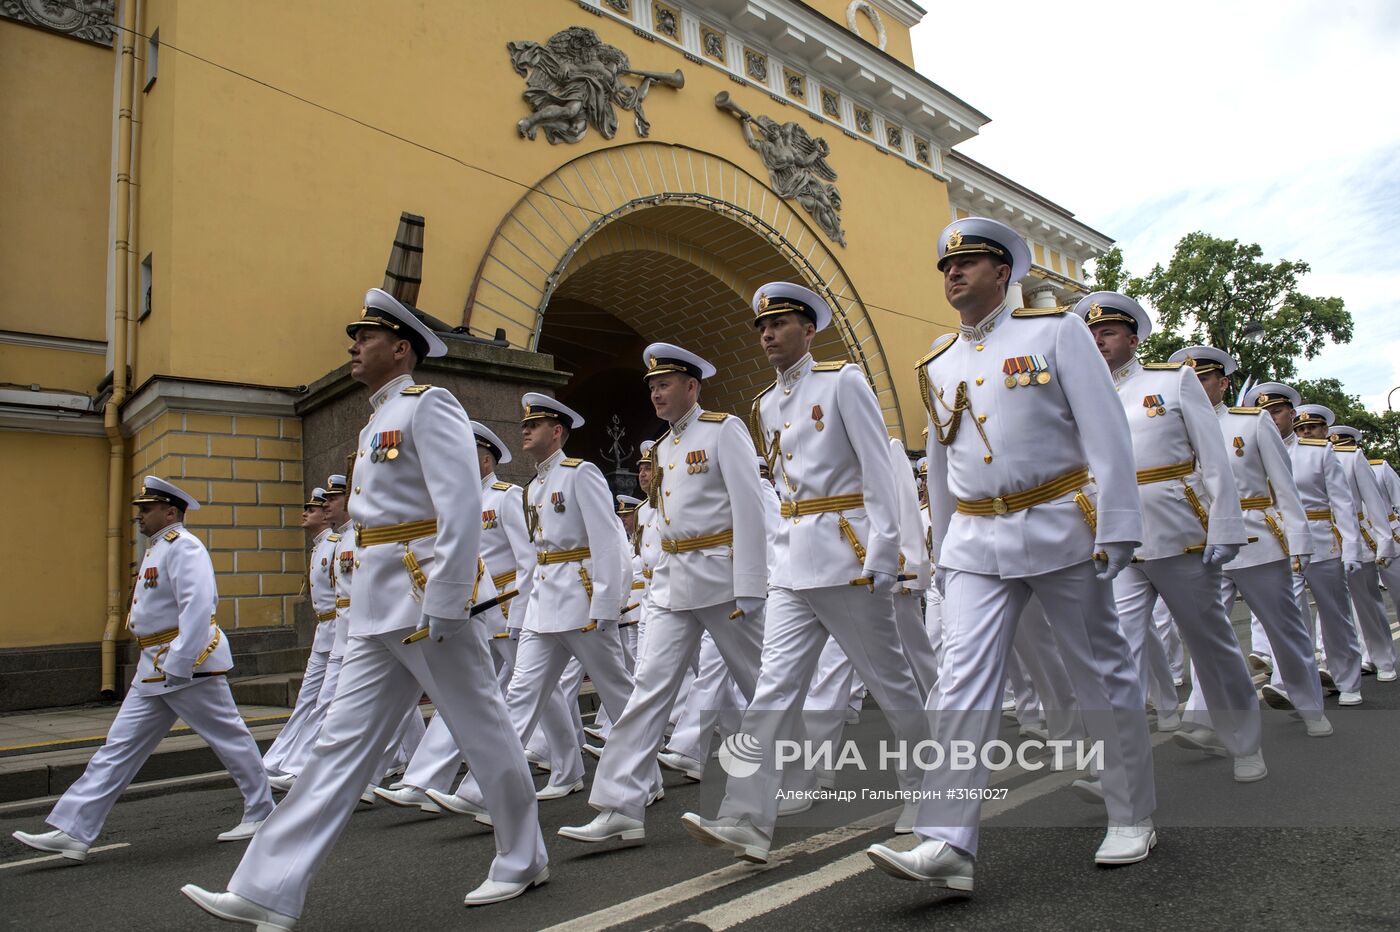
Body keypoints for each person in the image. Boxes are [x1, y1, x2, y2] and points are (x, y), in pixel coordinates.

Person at [182, 288, 547, 931]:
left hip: (424, 601)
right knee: (337, 747)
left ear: (400, 349)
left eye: (366, 337)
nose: (353, 346)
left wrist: (447, 599)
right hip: (376, 606)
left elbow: (460, 505)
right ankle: (268, 888)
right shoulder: (373, 421)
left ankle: (523, 857)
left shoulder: (428, 405)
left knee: (483, 732)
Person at [867, 218, 1155, 892]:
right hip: (975, 538)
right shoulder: (938, 363)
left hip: (1058, 523)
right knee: (961, 682)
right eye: (946, 266)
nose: (953, 273)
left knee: (1101, 671)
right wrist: (941, 550)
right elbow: (942, 466)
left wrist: (1118, 523)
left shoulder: (1055, 333)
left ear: (1003, 272)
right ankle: (946, 842)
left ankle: (1131, 813)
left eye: (967, 262)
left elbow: (1106, 430)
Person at [681, 281, 928, 864]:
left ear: (809, 330)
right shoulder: (766, 403)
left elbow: (879, 468)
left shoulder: (842, 381)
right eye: (762, 328)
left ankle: (928, 789)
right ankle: (746, 817)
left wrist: (884, 550)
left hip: (846, 558)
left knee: (891, 682)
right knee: (774, 688)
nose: (768, 335)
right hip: (793, 562)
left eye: (780, 324)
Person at [560, 343, 768, 845]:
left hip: (722, 581)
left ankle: (792, 779)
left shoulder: (722, 430)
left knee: (763, 686)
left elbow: (751, 509)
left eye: (665, 384)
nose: (655, 393)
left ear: (691, 386)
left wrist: (751, 585)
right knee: (648, 692)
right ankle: (620, 806)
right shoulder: (661, 447)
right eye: (651, 386)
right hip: (674, 584)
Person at [13, 478, 273, 862]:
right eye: (140, 510)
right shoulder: (157, 549)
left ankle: (262, 810)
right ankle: (73, 831)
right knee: (118, 748)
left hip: (187, 666)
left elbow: (198, 607)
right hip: (152, 665)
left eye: (146, 510)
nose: (139, 516)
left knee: (229, 739)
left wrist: (180, 664)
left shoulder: (184, 547)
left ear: (170, 513)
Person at [429, 392, 640, 819]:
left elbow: (607, 541)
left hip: (581, 603)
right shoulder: (534, 487)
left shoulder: (580, 474)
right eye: (525, 425)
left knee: (619, 696)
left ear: (557, 432)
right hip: (543, 607)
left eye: (534, 425)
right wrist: (522, 615)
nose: (525, 430)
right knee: (520, 697)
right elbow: (534, 558)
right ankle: (484, 791)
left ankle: (646, 776)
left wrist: (607, 603)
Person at [1079, 294, 1263, 781]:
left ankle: (1245, 742)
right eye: (1091, 335)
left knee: (1210, 642)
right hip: (1115, 539)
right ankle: (1115, 765)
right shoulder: (1080, 393)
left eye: (1108, 333)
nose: (1098, 341)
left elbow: (1214, 460)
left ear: (1133, 340)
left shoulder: (1172, 381)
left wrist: (1226, 526)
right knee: (1117, 649)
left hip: (1178, 532)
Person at [1165, 345, 1328, 736]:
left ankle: (1308, 704)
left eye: (1204, 378)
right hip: (1201, 542)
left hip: (1256, 539)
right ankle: (1203, 718)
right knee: (1205, 636)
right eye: (1188, 379)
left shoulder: (1251, 423)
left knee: (1284, 630)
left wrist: (1300, 541)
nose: (1196, 385)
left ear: (1223, 384)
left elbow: (1284, 487)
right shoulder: (1171, 428)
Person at [1245, 384, 1366, 706]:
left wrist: (1352, 546)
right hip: (1277, 542)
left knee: (1334, 614)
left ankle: (1346, 679)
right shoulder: (1250, 452)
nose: (1271, 417)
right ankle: (1288, 682)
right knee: (1287, 617)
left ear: (1291, 414)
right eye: (1264, 412)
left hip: (1320, 540)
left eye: (1276, 411)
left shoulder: (1318, 451)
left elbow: (1342, 502)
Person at [263, 489, 337, 779]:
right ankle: (278, 758)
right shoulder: (318, 548)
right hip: (324, 632)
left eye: (312, 509)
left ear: (325, 516)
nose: (305, 513)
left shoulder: (335, 545)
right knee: (308, 698)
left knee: (326, 701)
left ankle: (297, 764)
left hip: (341, 630)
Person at [1325, 422, 1399, 680]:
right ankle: (1361, 657)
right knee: (1352, 604)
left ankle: (1379, 657)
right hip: (1341, 539)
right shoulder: (1319, 462)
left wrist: (1388, 538)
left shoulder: (1376, 466)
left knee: (1386, 597)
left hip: (1383, 538)